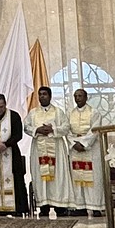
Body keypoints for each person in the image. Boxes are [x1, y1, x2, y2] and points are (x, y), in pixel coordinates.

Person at [24, 86, 72, 216]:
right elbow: (26, 127)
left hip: (56, 149)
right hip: (39, 150)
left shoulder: (58, 112)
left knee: (57, 176)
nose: (42, 96)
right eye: (40, 94)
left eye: (44, 94)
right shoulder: (33, 113)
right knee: (41, 177)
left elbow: (66, 127)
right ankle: (43, 206)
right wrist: (37, 130)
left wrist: (53, 129)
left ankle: (59, 206)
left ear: (50, 96)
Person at [0, 94, 29, 215]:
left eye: (1, 106)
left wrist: (6, 144)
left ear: (5, 104)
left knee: (15, 178)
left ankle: (16, 208)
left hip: (11, 151)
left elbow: (18, 134)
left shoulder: (14, 116)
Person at [66, 89, 105, 216]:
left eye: (80, 96)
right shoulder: (70, 113)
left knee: (93, 177)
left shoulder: (94, 112)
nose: (77, 98)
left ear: (86, 97)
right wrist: (74, 143)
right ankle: (80, 206)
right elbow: (67, 131)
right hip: (75, 149)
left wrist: (83, 143)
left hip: (90, 149)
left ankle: (95, 206)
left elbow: (95, 130)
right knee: (77, 178)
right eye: (75, 96)